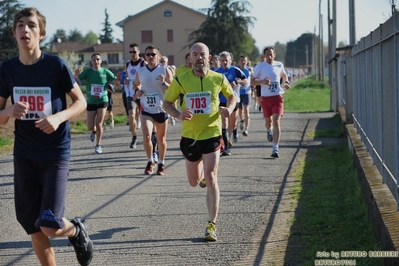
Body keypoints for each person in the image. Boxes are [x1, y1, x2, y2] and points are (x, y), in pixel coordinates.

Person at [0, 7, 93, 266]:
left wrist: (58, 117)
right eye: (20, 25)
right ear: (14, 32)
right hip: (25, 153)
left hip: (54, 152)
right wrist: (8, 110)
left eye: (30, 25)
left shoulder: (55, 65)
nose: (24, 29)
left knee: (49, 223)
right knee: (32, 225)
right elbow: (0, 116)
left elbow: (81, 102)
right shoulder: (7, 69)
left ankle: (75, 230)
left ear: (41, 33)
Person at [162, 42, 236, 241]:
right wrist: (178, 114)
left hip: (212, 133)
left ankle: (211, 224)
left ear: (209, 57)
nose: (199, 58)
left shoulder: (218, 78)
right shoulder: (181, 80)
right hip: (190, 136)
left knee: (212, 177)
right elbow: (166, 104)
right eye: (195, 55)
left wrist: (229, 108)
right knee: (194, 182)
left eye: (202, 54)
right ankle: (201, 173)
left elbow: (232, 97)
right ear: (190, 58)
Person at [134, 45, 174, 175]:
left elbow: (173, 89)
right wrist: (138, 91)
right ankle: (150, 160)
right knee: (146, 136)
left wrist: (164, 83)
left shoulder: (165, 69)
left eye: (153, 54)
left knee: (161, 139)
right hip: (146, 108)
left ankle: (161, 163)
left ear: (158, 56)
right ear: (145, 56)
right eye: (148, 55)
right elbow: (137, 84)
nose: (150, 57)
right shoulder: (141, 71)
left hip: (161, 109)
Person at [251, 46, 290, 158]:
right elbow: (251, 82)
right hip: (266, 98)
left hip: (277, 97)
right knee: (268, 122)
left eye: (271, 54)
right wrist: (262, 81)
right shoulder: (260, 67)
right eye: (267, 54)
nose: (269, 56)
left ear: (274, 55)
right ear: (264, 56)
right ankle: (269, 130)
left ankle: (275, 148)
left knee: (276, 121)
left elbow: (284, 74)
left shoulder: (279, 65)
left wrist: (286, 82)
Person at [75, 53, 116, 154]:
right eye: (94, 60)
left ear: (101, 61)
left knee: (99, 124)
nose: (96, 61)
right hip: (91, 101)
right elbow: (76, 81)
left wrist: (111, 86)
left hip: (103, 100)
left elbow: (115, 80)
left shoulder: (105, 72)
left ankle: (98, 145)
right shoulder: (88, 72)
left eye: (97, 59)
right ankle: (93, 131)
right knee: (90, 126)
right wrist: (76, 75)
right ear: (91, 62)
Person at [215, 51, 248, 155]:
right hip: (221, 101)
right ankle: (226, 147)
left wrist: (238, 82)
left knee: (232, 123)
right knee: (224, 124)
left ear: (230, 61)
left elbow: (246, 80)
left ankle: (234, 132)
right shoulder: (216, 72)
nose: (225, 62)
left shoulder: (235, 70)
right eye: (222, 60)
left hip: (233, 100)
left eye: (226, 60)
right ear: (220, 61)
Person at [125, 43, 146, 148]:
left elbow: (147, 76)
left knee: (145, 116)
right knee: (131, 115)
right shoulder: (128, 63)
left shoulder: (143, 63)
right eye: (130, 52)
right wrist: (126, 80)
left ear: (138, 52)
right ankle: (134, 137)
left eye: (134, 51)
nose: (132, 54)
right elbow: (128, 75)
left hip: (142, 94)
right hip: (130, 93)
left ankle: (150, 136)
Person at [237, 55, 253, 136]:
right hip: (238, 93)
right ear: (239, 61)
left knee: (246, 109)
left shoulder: (249, 70)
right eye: (241, 60)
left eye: (244, 60)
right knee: (240, 111)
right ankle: (242, 120)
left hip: (247, 92)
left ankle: (246, 129)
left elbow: (251, 79)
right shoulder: (236, 69)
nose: (243, 62)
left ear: (247, 61)